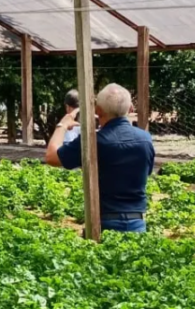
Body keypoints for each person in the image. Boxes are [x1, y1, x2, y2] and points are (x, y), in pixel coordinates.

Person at [45, 84, 155, 233]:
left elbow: (52, 157)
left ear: (97, 111)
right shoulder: (145, 139)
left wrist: (62, 125)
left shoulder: (92, 141)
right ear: (131, 109)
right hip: (137, 222)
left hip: (102, 223)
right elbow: (146, 172)